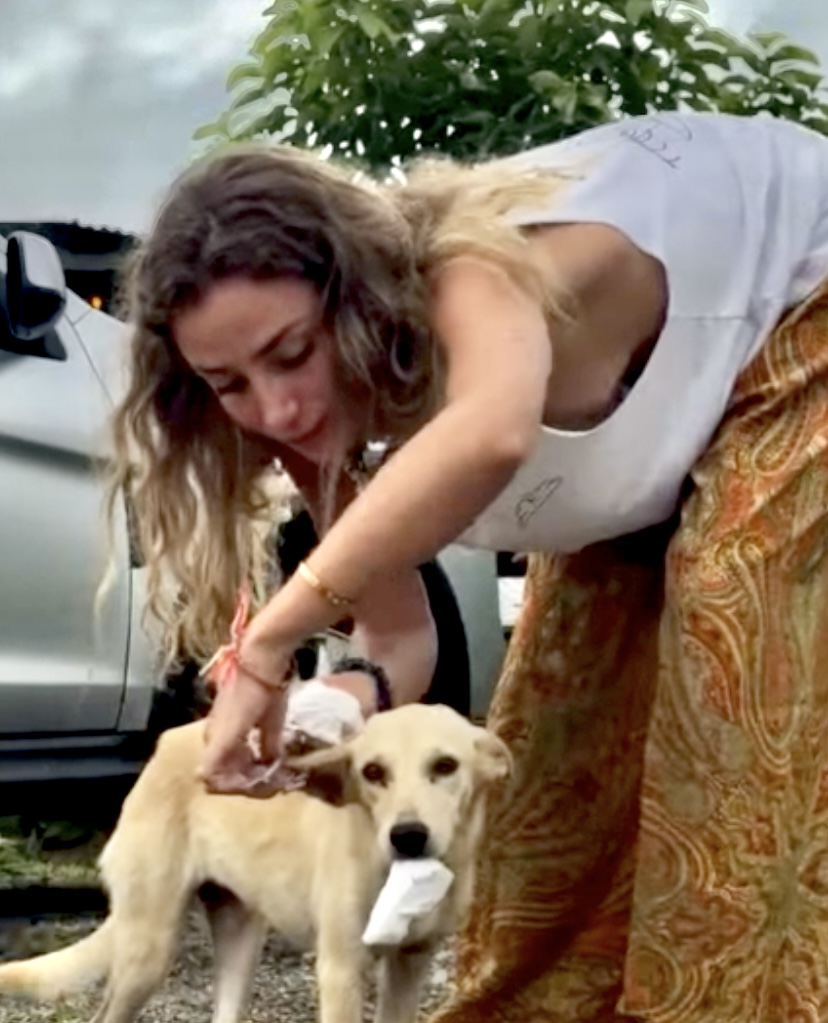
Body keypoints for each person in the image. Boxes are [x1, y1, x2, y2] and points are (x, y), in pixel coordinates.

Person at [110, 110, 828, 1023]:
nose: (278, 408)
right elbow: (398, 638)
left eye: (292, 353)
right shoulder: (301, 424)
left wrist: (268, 645)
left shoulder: (468, 267)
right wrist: (328, 710)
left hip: (802, 294)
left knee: (731, 668)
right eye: (230, 384)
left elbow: (492, 432)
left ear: (357, 297)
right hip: (656, 419)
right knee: (560, 747)